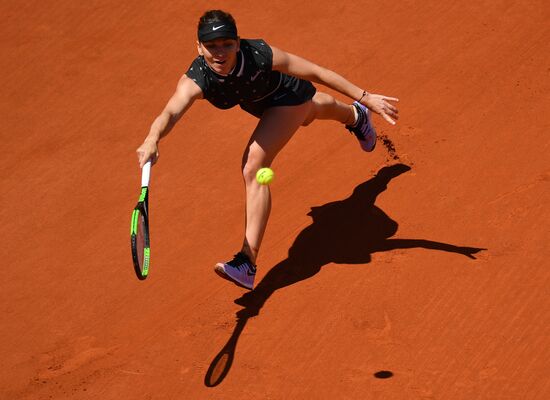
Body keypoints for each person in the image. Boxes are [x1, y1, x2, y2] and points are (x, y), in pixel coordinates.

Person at [136, 9, 399, 290]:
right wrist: (153, 137)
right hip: (261, 104)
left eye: (226, 44)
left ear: (237, 43)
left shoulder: (259, 55)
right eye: (211, 46)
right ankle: (355, 117)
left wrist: (365, 95)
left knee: (254, 165)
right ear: (198, 47)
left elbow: (317, 72)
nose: (220, 53)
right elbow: (171, 112)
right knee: (310, 113)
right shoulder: (196, 79)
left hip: (288, 95)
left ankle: (247, 261)